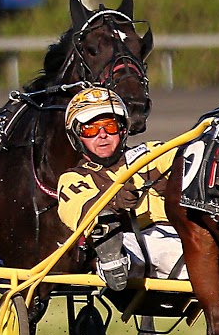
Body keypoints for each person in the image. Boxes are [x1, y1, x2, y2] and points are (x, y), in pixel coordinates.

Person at [53, 86, 185, 293]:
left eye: (110, 126)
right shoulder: (74, 178)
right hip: (130, 244)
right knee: (111, 233)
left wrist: (176, 181)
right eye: (91, 129)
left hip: (186, 238)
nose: (102, 135)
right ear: (77, 136)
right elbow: (78, 210)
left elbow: (188, 161)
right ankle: (111, 261)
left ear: (123, 129)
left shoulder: (150, 154)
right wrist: (114, 201)